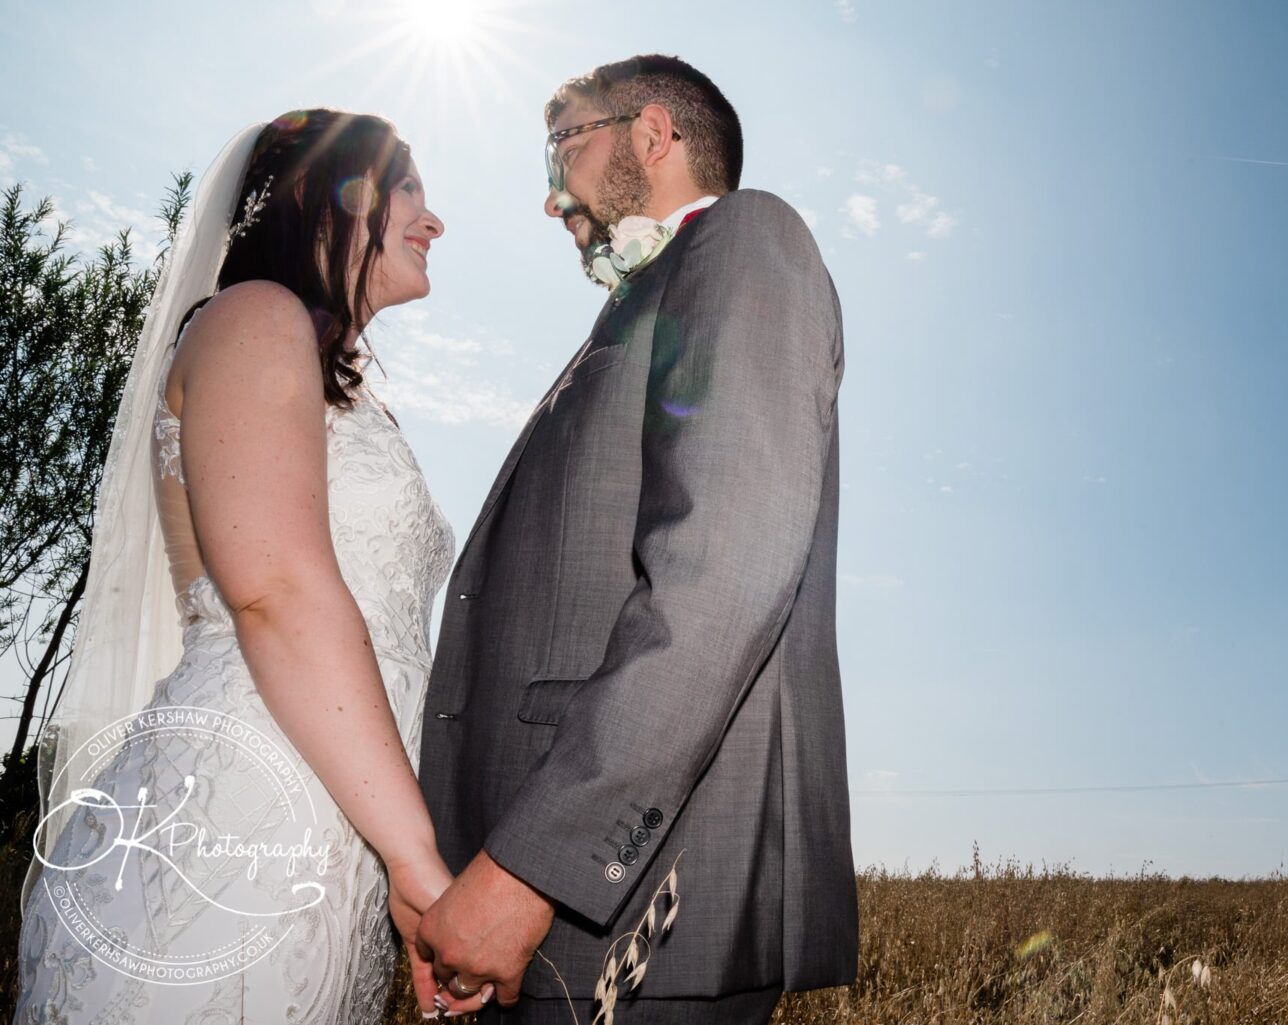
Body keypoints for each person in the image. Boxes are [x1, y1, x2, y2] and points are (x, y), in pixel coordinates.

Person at [12, 109, 485, 1022]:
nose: (434, 220)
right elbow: (275, 592)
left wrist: (392, 853)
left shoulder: (333, 383)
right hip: (232, 819)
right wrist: (417, 855)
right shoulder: (253, 317)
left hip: (339, 829)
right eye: (409, 189)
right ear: (321, 195)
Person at [415, 55, 859, 1024]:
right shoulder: (637, 304)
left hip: (630, 889)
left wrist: (533, 865)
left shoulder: (747, 239)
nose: (549, 194)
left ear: (652, 134)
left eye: (563, 144)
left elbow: (724, 572)